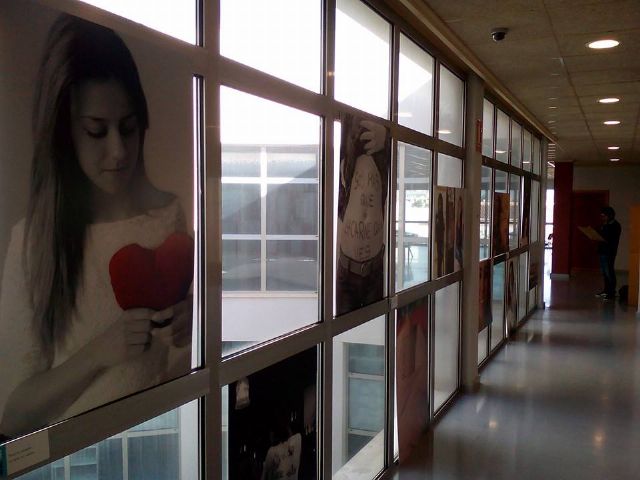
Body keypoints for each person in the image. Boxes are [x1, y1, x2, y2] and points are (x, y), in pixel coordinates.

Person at [0, 15, 193, 438]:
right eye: (96, 131)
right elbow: (12, 416)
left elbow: (176, 359)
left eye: (128, 127)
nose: (119, 151)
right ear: (63, 135)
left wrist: (188, 322)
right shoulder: (32, 243)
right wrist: (98, 353)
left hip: (166, 442)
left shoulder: (168, 216)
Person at [336, 113, 388, 315]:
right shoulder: (344, 161)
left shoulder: (383, 158)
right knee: (340, 328)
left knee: (376, 323)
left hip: (375, 267)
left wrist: (387, 137)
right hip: (346, 270)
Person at [595, 206, 621, 300]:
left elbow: (611, 239)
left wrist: (604, 231)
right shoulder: (604, 224)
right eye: (602, 216)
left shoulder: (615, 225)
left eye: (604, 216)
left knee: (609, 272)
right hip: (602, 251)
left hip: (609, 252)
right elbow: (601, 235)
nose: (603, 218)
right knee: (604, 272)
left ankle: (611, 293)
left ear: (610, 215)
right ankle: (605, 291)